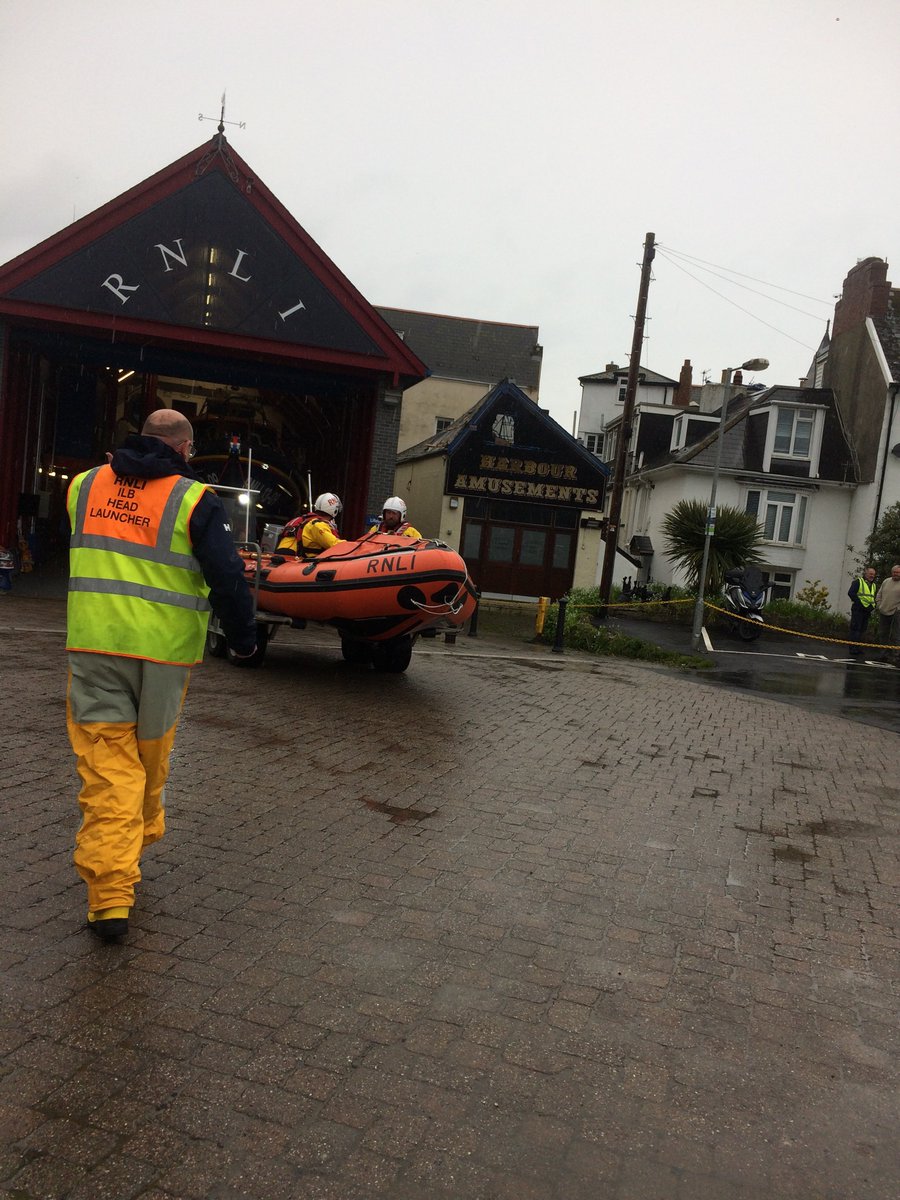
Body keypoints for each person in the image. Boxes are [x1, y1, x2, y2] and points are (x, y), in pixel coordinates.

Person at [66, 408, 257, 942]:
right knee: (148, 763)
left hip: (96, 645)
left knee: (109, 769)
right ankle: (115, 889)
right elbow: (226, 574)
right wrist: (244, 638)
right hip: (165, 657)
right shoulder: (196, 500)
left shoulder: (82, 486)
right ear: (186, 448)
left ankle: (115, 870)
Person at [276, 493, 345, 558]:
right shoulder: (318, 525)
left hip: (283, 558)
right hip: (299, 563)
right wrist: (354, 545)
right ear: (334, 511)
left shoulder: (298, 521)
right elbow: (335, 544)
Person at [847, 566, 877, 655]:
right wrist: (860, 604)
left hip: (867, 611)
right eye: (870, 574)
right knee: (855, 629)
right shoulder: (858, 582)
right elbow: (851, 593)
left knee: (862, 630)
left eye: (873, 574)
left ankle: (858, 647)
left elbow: (871, 597)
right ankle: (853, 648)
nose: (872, 576)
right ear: (866, 573)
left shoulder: (874, 585)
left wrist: (872, 606)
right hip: (858, 610)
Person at [874, 564, 900, 663]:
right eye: (894, 572)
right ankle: (883, 654)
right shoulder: (886, 581)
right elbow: (879, 594)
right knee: (882, 634)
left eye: (898, 572)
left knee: (896, 635)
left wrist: (898, 609)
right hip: (883, 611)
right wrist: (879, 604)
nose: (896, 574)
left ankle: (896, 656)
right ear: (891, 572)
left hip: (896, 613)